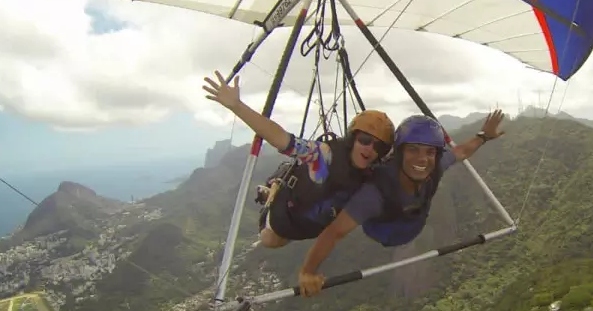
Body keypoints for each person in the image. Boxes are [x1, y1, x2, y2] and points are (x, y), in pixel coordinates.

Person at [295, 110, 506, 297]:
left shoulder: (435, 167)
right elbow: (334, 233)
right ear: (399, 153)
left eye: (429, 152)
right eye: (413, 150)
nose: (422, 159)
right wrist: (308, 271)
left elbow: (460, 151)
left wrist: (484, 136)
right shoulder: (376, 194)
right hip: (384, 230)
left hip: (412, 223)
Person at [202, 70, 395, 247]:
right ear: (353, 139)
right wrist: (237, 106)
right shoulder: (324, 155)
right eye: (365, 140)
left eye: (378, 146)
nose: (370, 148)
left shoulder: (372, 171)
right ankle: (273, 190)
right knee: (270, 240)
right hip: (288, 215)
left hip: (315, 224)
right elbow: (281, 138)